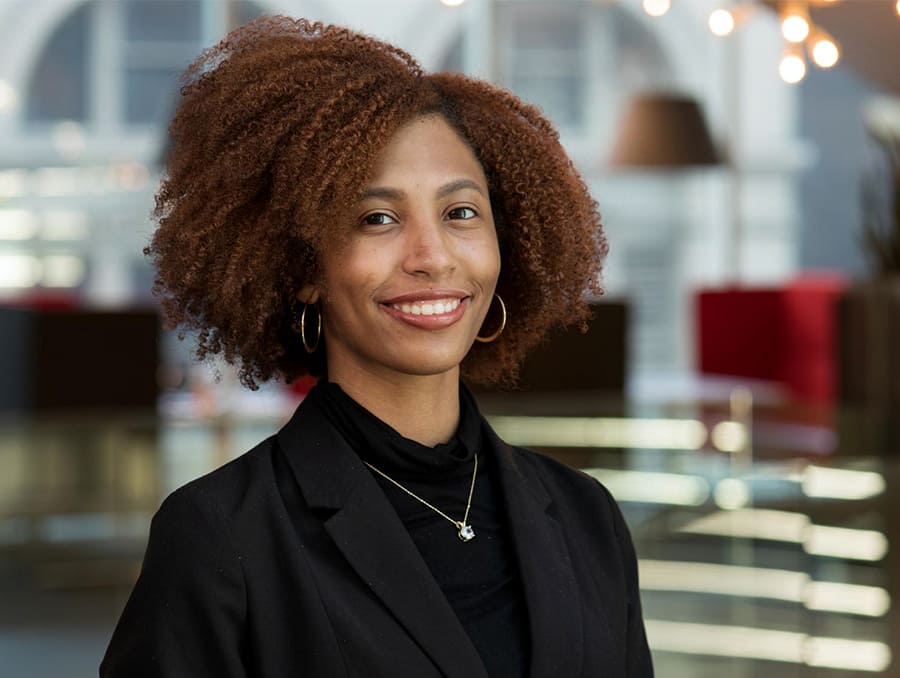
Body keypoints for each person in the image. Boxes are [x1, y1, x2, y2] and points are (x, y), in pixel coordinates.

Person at [101, 15, 653, 678]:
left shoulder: (586, 517)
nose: (432, 257)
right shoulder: (221, 536)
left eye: (460, 213)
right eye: (378, 219)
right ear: (303, 268)